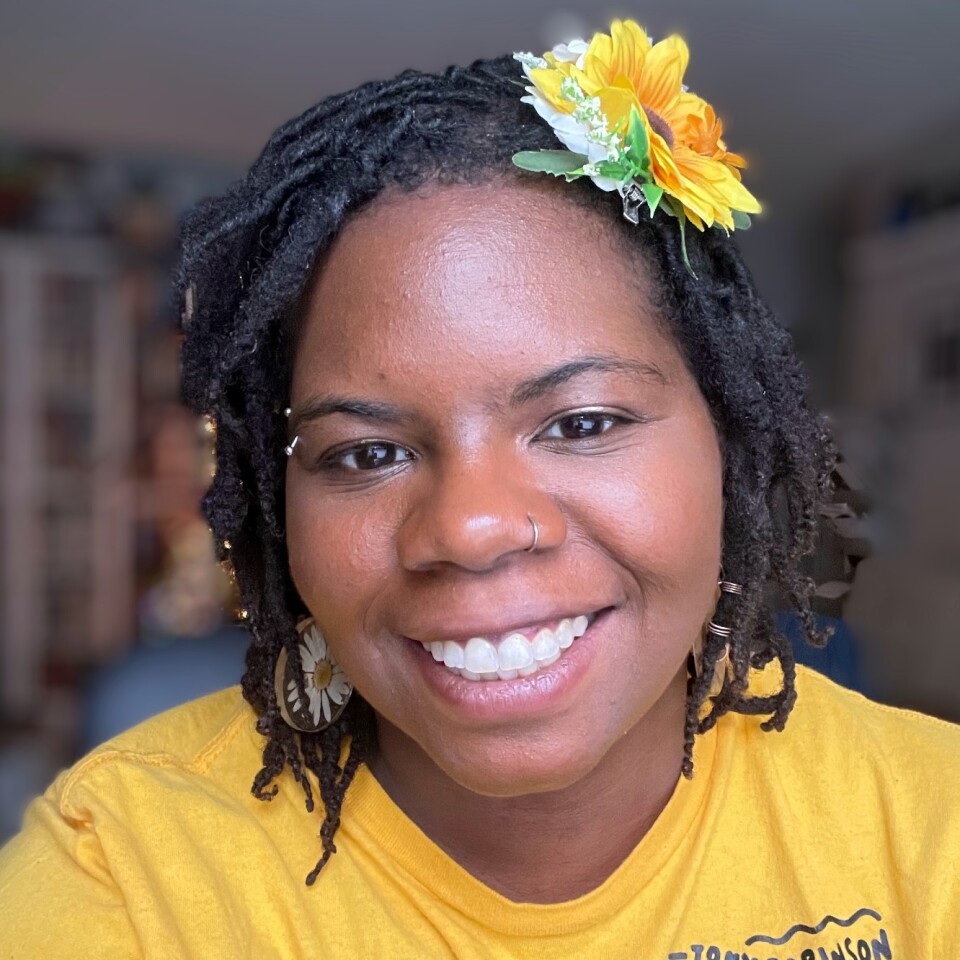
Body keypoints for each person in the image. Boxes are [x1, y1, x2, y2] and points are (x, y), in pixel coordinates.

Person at [1, 18, 957, 959]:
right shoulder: (122, 877)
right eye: (366, 454)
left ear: (730, 446)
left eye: (581, 424)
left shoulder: (931, 832)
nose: (471, 527)